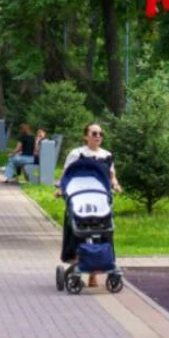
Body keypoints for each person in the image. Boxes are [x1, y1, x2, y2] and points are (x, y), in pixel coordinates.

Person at [56, 123, 122, 288]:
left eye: (100, 133)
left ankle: (94, 274)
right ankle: (79, 267)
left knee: (102, 234)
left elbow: (112, 176)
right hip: (80, 201)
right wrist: (61, 189)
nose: (98, 136)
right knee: (79, 235)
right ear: (86, 136)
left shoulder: (107, 155)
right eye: (94, 133)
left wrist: (116, 185)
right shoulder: (77, 154)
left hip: (100, 201)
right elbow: (66, 174)